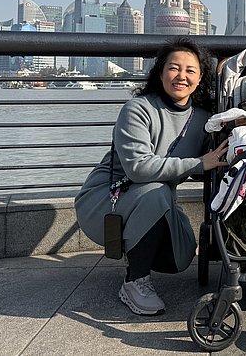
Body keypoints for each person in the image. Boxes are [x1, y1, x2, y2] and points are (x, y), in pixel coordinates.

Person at [75, 37, 228, 316]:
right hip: (107, 199)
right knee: (156, 189)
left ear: (201, 77)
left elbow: (214, 162)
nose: (181, 76)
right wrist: (198, 163)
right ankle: (134, 282)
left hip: (158, 199)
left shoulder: (204, 118)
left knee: (179, 258)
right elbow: (138, 168)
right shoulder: (138, 109)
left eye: (191, 70)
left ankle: (140, 252)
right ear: (160, 72)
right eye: (174, 68)